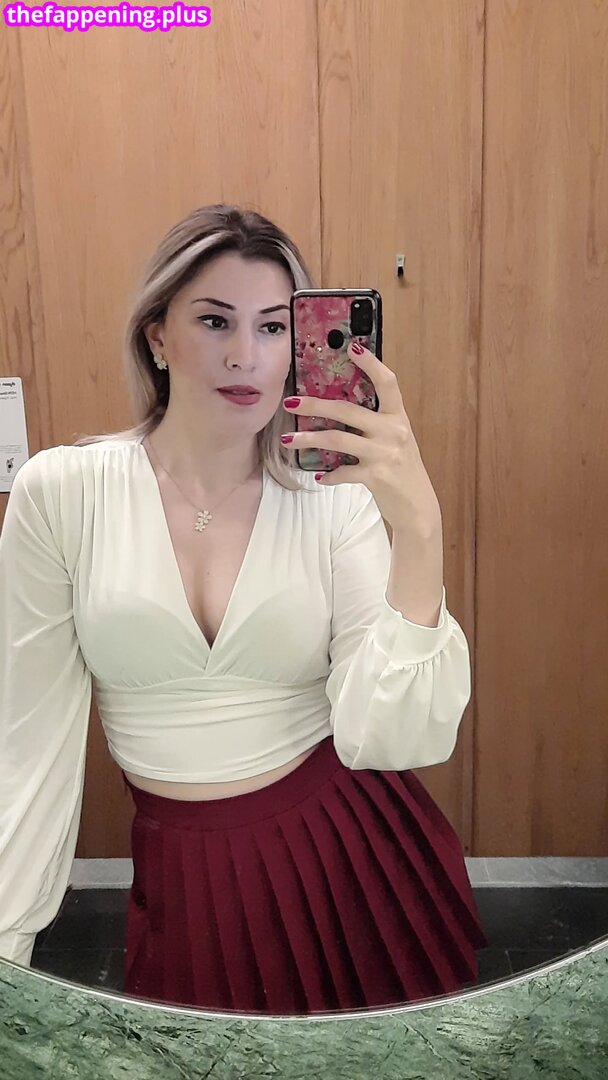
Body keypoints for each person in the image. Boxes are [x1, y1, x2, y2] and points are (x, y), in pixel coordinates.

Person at [0, 204, 487, 1015]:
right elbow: (25, 742)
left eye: (272, 327)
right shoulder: (63, 493)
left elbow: (390, 737)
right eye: (215, 320)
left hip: (350, 857)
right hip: (184, 875)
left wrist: (419, 527)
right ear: (157, 336)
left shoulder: (332, 499)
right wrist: (8, 945)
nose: (245, 356)